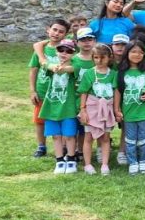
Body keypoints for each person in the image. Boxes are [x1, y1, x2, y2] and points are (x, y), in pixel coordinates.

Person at [115, 40, 145, 176]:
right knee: (130, 138)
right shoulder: (121, 71)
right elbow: (118, 91)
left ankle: (144, 160)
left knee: (144, 137)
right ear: (127, 53)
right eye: (134, 51)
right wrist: (116, 109)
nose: (137, 55)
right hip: (129, 111)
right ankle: (132, 162)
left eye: (141, 52)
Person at [29, 18, 70, 158]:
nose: (57, 33)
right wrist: (32, 90)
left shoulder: (67, 50)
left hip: (60, 92)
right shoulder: (41, 49)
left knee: (61, 119)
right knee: (40, 120)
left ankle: (64, 146)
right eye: (54, 29)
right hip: (42, 91)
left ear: (66, 34)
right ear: (48, 29)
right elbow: (34, 70)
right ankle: (41, 146)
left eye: (61, 31)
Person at [39, 38, 79, 174]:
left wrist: (63, 69)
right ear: (56, 51)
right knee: (55, 135)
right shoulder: (51, 65)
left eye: (68, 51)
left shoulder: (75, 65)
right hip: (51, 107)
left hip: (68, 108)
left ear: (73, 53)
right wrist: (53, 67)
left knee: (69, 135)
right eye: (61, 50)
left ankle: (72, 159)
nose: (64, 53)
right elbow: (45, 64)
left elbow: (73, 69)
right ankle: (60, 160)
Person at [77, 44, 118, 175]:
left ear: (109, 58)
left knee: (105, 137)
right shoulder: (89, 73)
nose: (99, 61)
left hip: (107, 108)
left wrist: (116, 109)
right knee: (88, 137)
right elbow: (84, 92)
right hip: (92, 108)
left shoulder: (113, 74)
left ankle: (105, 164)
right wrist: (83, 110)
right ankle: (87, 164)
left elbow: (116, 92)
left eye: (103, 58)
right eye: (96, 58)